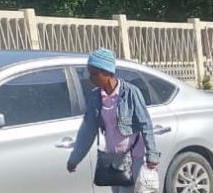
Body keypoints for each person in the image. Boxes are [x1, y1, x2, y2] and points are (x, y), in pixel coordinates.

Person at [67, 48, 160, 192]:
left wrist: (152, 155)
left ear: (107, 72)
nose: (90, 78)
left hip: (133, 157)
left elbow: (145, 124)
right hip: (112, 159)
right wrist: (75, 158)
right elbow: (87, 130)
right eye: (89, 73)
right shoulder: (95, 97)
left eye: (94, 74)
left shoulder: (131, 93)